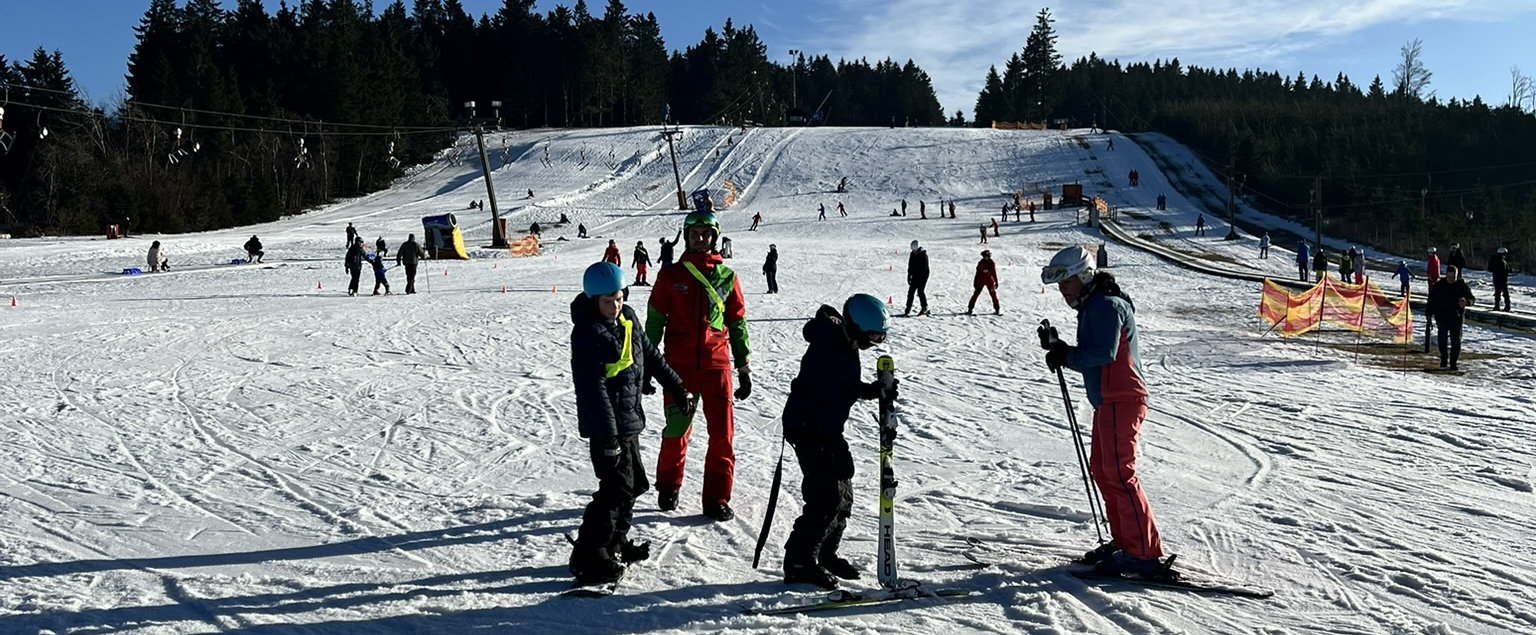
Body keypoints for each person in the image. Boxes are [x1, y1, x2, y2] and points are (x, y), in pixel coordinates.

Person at [1040, 245, 1167, 576]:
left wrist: (1066, 355)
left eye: (1067, 282)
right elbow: (1096, 352)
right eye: (1060, 284)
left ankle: (1143, 553)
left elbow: (1104, 353)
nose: (1063, 291)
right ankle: (1126, 542)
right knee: (1104, 471)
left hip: (1121, 397)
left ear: (1084, 276)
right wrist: (1061, 349)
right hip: (1110, 400)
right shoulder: (1095, 305)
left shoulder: (1105, 305)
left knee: (1119, 474)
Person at [567, 262, 690, 587]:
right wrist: (608, 437)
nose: (615, 306)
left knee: (632, 486)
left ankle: (614, 544)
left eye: (619, 298)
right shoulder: (588, 333)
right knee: (615, 489)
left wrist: (677, 387)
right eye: (608, 301)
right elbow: (593, 390)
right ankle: (590, 555)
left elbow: (651, 356)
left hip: (629, 419)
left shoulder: (628, 318)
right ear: (593, 300)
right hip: (606, 427)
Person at [780, 294, 893, 589]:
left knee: (843, 496)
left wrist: (871, 391)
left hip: (823, 428)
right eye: (873, 336)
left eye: (881, 337)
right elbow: (824, 401)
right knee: (826, 497)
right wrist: (834, 445)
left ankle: (825, 553)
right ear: (857, 326)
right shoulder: (830, 349)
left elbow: (843, 385)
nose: (875, 342)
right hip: (809, 428)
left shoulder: (844, 342)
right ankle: (800, 561)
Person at [646, 210, 752, 521]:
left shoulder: (727, 277)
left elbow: (737, 322)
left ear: (714, 237)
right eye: (694, 234)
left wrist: (743, 366)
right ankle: (668, 486)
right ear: (687, 237)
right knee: (676, 429)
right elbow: (655, 320)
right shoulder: (670, 276)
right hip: (678, 368)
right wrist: (648, 364)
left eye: (706, 233)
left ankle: (717, 497)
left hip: (716, 365)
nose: (700, 238)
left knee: (722, 434)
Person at [1428, 266, 1475, 370]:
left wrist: (1467, 302)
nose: (1451, 279)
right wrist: (1428, 314)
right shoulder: (1439, 285)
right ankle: (1444, 359)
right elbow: (1431, 300)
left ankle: (1453, 362)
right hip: (1442, 317)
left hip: (1456, 317)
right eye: (1449, 277)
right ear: (1446, 275)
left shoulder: (1462, 286)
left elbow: (1472, 299)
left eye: (1453, 277)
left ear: (1456, 276)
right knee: (1442, 339)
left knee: (1456, 341)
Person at [967, 249, 999, 315]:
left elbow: (994, 273)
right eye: (984, 256)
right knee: (976, 294)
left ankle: (997, 309)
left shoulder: (991, 263)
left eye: (987, 256)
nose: (985, 258)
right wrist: (975, 283)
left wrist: (996, 281)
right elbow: (977, 273)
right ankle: (970, 309)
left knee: (993, 294)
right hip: (980, 281)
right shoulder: (981, 263)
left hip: (989, 281)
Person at [904, 239, 929, 316]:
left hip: (923, 275)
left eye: (914, 250)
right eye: (912, 250)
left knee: (920, 291)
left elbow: (924, 269)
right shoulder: (912, 254)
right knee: (911, 291)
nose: (913, 251)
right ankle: (908, 308)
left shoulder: (923, 255)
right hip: (915, 275)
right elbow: (910, 265)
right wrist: (909, 275)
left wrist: (919, 280)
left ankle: (924, 307)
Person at [1490, 247, 1512, 311]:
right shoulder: (1501, 261)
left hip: (1497, 279)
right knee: (1505, 293)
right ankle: (1507, 306)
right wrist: (1507, 271)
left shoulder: (1496, 260)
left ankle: (1497, 306)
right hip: (1501, 279)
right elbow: (1502, 270)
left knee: (1498, 293)